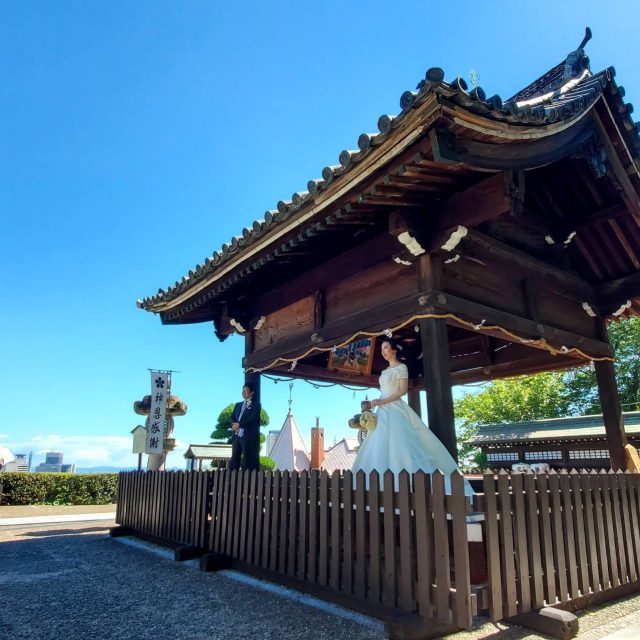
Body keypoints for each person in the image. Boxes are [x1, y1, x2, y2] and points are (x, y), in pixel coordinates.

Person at [352, 338, 474, 495]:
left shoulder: (401, 368)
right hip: (382, 411)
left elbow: (402, 391)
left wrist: (382, 401)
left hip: (394, 408)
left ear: (394, 350)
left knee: (404, 444)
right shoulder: (384, 372)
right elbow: (386, 390)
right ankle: (378, 489)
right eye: (382, 349)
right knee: (377, 445)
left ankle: (416, 487)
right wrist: (378, 402)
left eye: (386, 348)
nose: (383, 352)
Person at [229, 383, 261, 472]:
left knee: (247, 457)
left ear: (252, 393)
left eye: (246, 390)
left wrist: (239, 424)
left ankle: (246, 479)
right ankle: (232, 477)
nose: (243, 392)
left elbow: (252, 418)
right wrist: (234, 425)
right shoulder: (237, 404)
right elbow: (232, 417)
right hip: (236, 434)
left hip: (247, 435)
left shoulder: (256, 404)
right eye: (243, 390)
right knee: (235, 456)